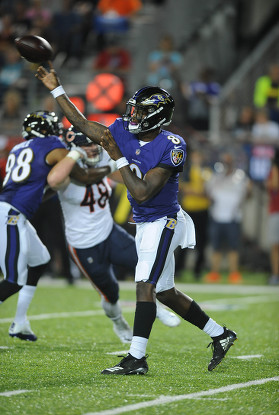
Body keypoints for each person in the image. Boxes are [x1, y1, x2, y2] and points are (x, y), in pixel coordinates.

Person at [36, 63, 238, 374]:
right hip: (145, 222)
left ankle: (137, 358)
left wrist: (116, 154)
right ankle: (220, 334)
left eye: (141, 112)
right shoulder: (120, 130)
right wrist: (56, 88)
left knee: (144, 284)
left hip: (165, 220)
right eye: (134, 110)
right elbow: (80, 123)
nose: (134, 116)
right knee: (165, 291)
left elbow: (142, 192)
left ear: (156, 116)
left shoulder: (172, 146)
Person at [0, 110, 113, 341]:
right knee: (13, 280)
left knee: (40, 260)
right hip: (9, 216)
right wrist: (112, 167)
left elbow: (38, 189)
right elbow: (85, 177)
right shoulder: (51, 144)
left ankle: (20, 322)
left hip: (13, 212)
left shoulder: (18, 147)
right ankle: (19, 321)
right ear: (47, 130)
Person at [204, 152, 252, 284]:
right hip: (217, 215)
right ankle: (214, 273)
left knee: (233, 247)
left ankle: (234, 274)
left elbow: (248, 194)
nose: (226, 164)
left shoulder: (240, 177)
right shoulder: (215, 177)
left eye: (228, 162)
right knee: (216, 247)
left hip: (233, 217)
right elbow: (207, 193)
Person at [176, 148, 211, 280]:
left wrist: (195, 191)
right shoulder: (187, 169)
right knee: (184, 241)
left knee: (202, 241)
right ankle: (179, 269)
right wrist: (196, 192)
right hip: (189, 209)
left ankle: (198, 270)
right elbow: (180, 186)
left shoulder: (207, 170)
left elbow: (209, 189)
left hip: (202, 209)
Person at [265, 147, 279, 285]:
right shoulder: (273, 171)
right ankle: (275, 275)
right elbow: (273, 185)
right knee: (275, 245)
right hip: (276, 210)